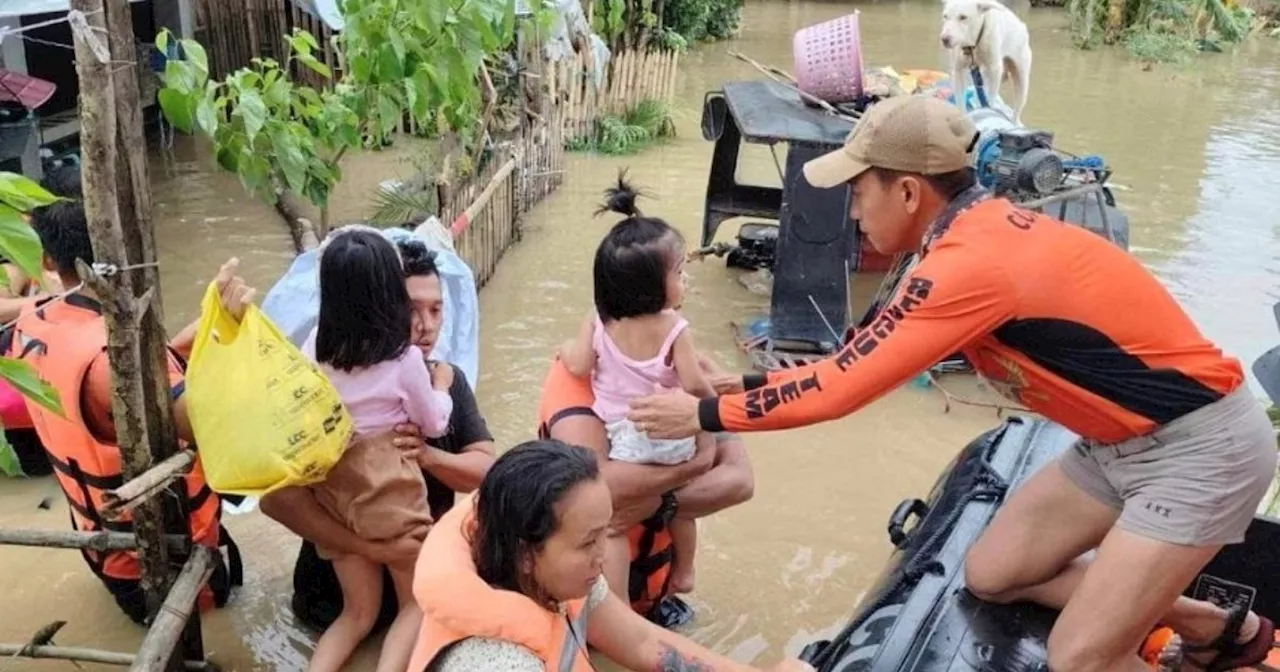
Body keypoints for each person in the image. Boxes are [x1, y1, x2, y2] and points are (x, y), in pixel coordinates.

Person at [625, 94, 1278, 672]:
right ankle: (1211, 626)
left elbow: (840, 393)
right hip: (1116, 447)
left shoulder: (969, 267)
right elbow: (847, 365)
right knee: (993, 574)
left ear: (909, 192)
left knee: (1080, 655)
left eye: (858, 190)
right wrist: (726, 389)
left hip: (1198, 449)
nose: (851, 210)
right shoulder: (961, 238)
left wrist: (703, 417)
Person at [10, 191, 247, 623]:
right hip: (162, 555)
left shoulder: (33, 324)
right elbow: (211, 427)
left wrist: (215, 316)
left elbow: (145, 384)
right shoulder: (118, 357)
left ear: (47, 262)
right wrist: (236, 346)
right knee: (213, 630)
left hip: (100, 539)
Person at [408, 438, 813, 672]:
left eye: (604, 534)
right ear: (526, 553)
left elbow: (642, 643)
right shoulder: (495, 663)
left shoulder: (552, 579)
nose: (602, 557)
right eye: (588, 543)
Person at [261, 234, 497, 634]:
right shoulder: (413, 376)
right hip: (333, 600)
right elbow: (275, 499)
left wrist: (428, 456)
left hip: (404, 597)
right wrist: (369, 548)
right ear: (380, 304)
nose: (426, 326)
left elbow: (488, 473)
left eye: (437, 310)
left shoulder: (443, 380)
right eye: (411, 310)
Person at [299, 226, 451, 672]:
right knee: (415, 603)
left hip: (333, 491)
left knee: (357, 614)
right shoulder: (404, 360)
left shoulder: (312, 348)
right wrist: (440, 385)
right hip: (388, 492)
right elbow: (435, 423)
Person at [558, 175, 715, 597]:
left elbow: (578, 364)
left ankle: (619, 604)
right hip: (669, 435)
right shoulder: (675, 327)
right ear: (652, 287)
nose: (686, 281)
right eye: (680, 273)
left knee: (613, 523)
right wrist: (716, 408)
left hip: (624, 438)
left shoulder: (598, 318)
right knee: (681, 510)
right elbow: (695, 383)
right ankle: (685, 572)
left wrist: (562, 347)